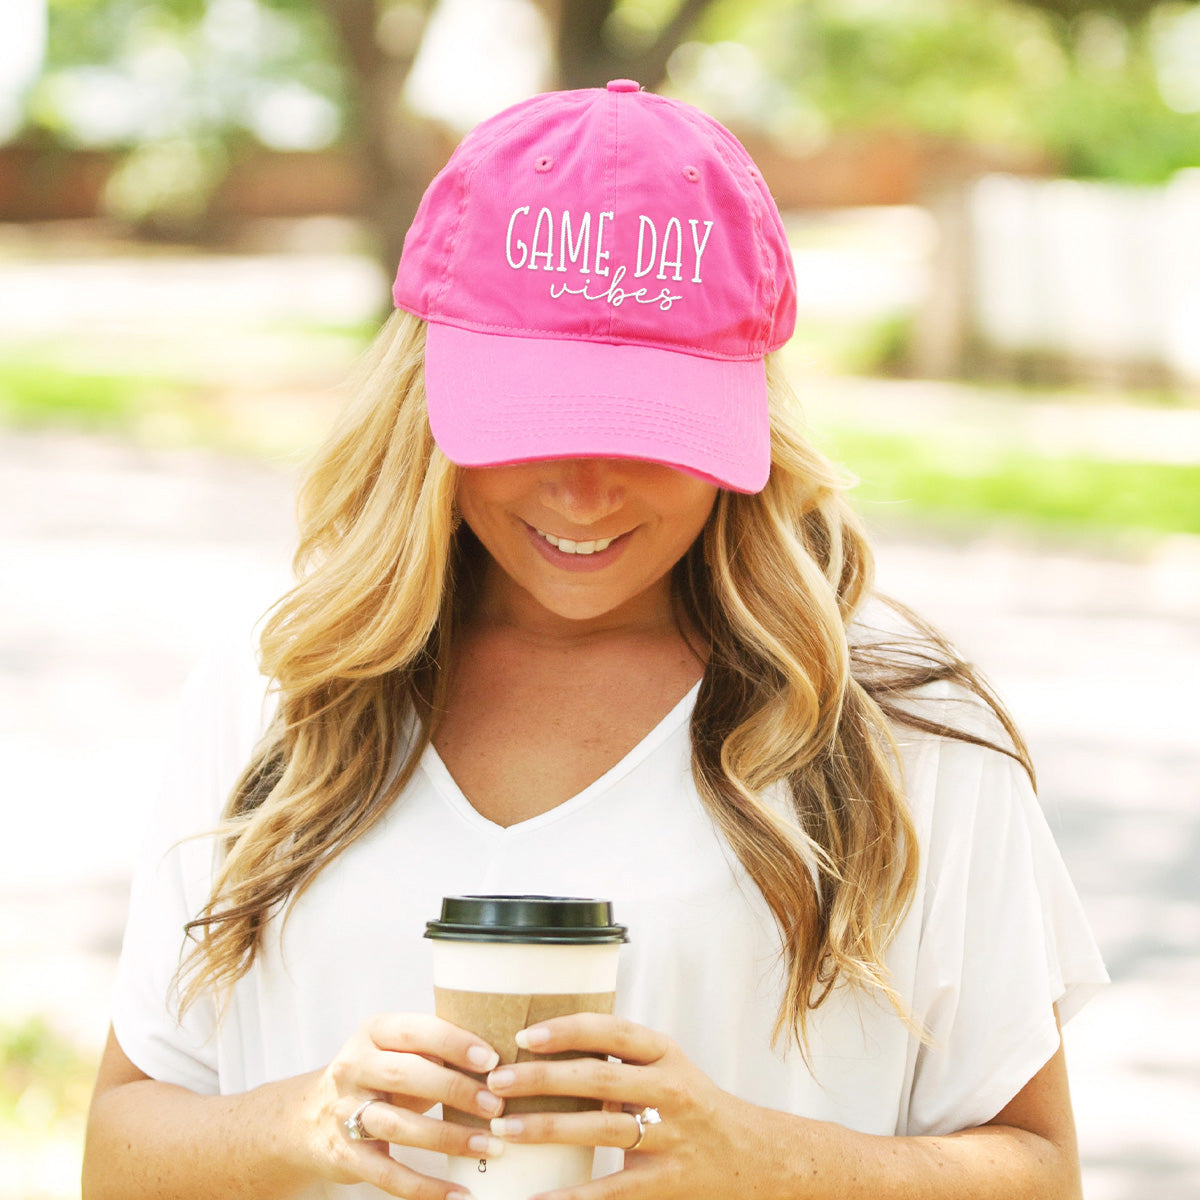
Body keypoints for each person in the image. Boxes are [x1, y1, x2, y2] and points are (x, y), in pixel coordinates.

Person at [83, 80, 1107, 1200]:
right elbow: (122, 1152)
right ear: (424, 394)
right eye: (532, 425)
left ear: (747, 411)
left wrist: (764, 1164)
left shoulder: (896, 726)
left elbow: (1038, 1173)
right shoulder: (283, 689)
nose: (584, 494)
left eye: (647, 433)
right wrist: (305, 1122)